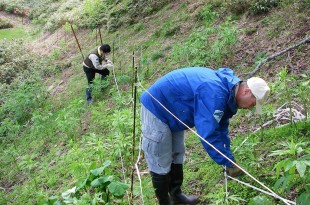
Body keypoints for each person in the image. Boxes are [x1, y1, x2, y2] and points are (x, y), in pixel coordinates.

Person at [140, 67, 270, 205]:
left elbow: (220, 127)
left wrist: (228, 158)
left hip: (175, 109)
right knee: (160, 159)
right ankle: (165, 202)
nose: (250, 108)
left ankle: (176, 195)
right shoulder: (215, 93)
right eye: (253, 103)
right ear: (246, 91)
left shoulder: (227, 92)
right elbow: (208, 134)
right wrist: (227, 162)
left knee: (177, 153)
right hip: (157, 108)